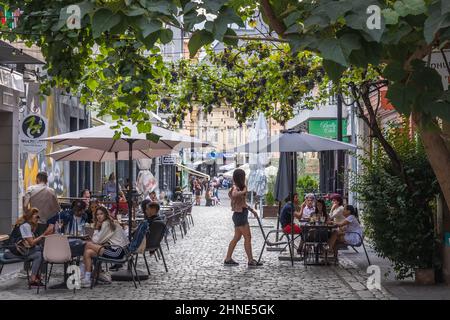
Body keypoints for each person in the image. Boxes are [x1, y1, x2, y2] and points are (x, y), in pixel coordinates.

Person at [81, 206, 129, 287]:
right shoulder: (108, 222)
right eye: (97, 215)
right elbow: (99, 241)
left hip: (118, 252)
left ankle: (83, 271)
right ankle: (87, 278)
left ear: (106, 214)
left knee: (88, 244)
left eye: (101, 214)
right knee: (88, 252)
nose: (99, 216)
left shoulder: (106, 223)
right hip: (116, 249)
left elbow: (97, 241)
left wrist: (96, 228)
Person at [224, 168, 262, 267]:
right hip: (240, 216)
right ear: (240, 177)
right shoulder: (235, 188)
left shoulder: (239, 188)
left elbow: (243, 204)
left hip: (239, 215)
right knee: (247, 237)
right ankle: (250, 260)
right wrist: (244, 190)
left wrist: (252, 210)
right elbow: (234, 194)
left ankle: (228, 258)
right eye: (244, 176)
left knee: (237, 237)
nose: (245, 178)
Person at [7, 208, 52, 286]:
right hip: (16, 250)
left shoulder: (26, 224)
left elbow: (31, 243)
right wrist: (44, 234)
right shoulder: (26, 225)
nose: (38, 219)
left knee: (41, 250)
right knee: (40, 253)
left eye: (39, 217)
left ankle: (37, 276)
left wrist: (44, 234)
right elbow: (31, 243)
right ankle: (34, 278)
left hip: (18, 249)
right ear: (30, 216)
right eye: (36, 217)